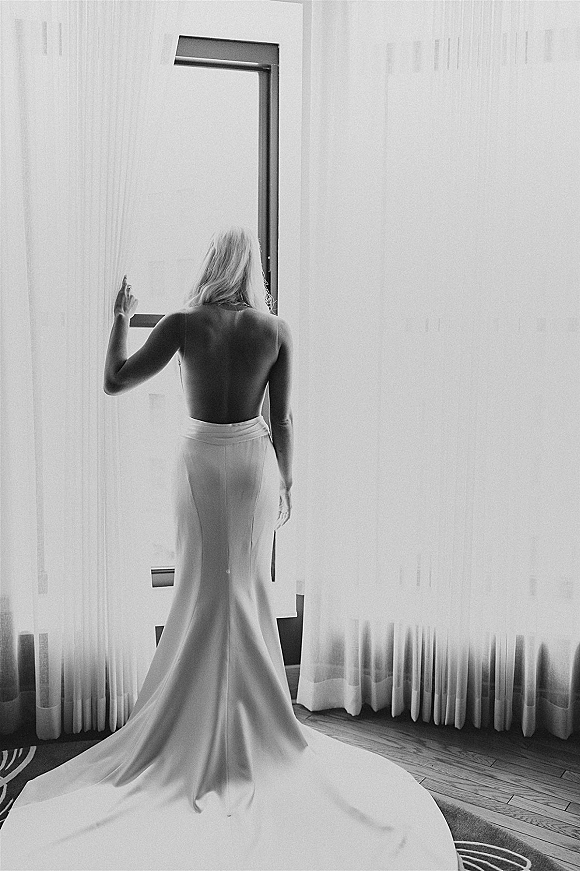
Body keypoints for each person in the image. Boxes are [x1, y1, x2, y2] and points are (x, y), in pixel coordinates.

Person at [1, 227, 460, 870]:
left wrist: (120, 320)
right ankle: (253, 723)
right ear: (253, 269)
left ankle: (184, 722)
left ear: (211, 266)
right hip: (251, 467)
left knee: (199, 586)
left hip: (196, 465)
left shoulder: (186, 324)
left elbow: (114, 380)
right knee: (244, 589)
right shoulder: (275, 330)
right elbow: (284, 421)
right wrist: (287, 484)